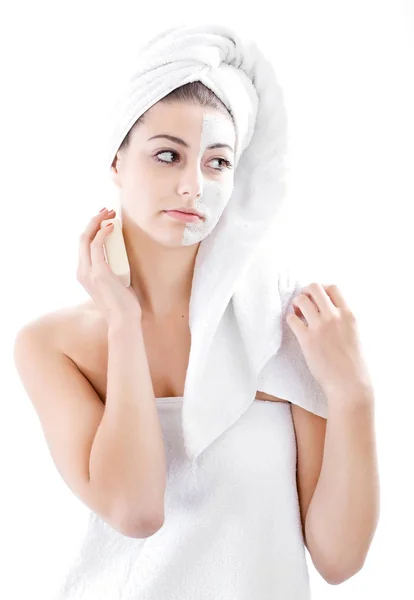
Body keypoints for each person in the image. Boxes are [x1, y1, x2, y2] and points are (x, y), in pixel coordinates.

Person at [13, 23, 378, 599]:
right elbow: (135, 510)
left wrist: (354, 394)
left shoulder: (286, 325)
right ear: (116, 161)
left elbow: (338, 559)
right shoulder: (52, 344)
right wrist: (124, 323)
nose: (193, 186)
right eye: (167, 155)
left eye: (217, 163)